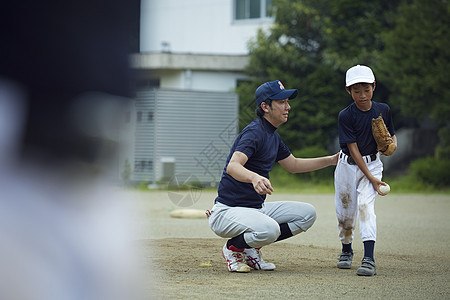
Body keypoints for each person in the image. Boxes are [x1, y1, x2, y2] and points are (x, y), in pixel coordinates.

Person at [207, 80, 339, 272]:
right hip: (227, 212)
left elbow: (293, 165)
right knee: (270, 229)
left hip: (255, 209)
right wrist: (254, 178)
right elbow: (233, 166)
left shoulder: (273, 136)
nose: (288, 107)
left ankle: (250, 248)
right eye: (282, 102)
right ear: (265, 107)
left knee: (307, 214)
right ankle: (233, 249)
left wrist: (331, 160)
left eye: (287, 101)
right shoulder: (254, 132)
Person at [334, 65, 397, 276]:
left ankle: (369, 258)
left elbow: (391, 135)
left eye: (366, 90)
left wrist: (392, 146)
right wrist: (371, 178)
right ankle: (346, 249)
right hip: (348, 165)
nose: (362, 95)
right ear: (348, 91)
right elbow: (353, 149)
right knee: (345, 212)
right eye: (356, 91)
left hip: (373, 163)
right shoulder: (346, 115)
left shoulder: (383, 110)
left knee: (364, 206)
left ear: (374, 87)